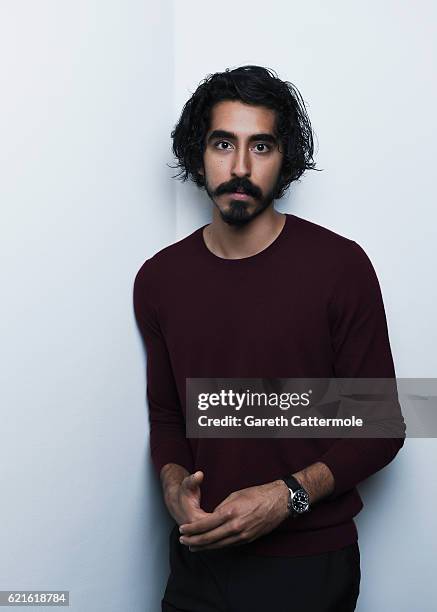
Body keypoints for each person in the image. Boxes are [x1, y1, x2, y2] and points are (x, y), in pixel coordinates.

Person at [133, 65, 405, 612]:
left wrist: (287, 495)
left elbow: (382, 426)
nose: (239, 167)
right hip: (198, 562)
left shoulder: (339, 266)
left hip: (310, 564)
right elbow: (169, 415)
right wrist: (172, 483)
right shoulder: (159, 279)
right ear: (198, 152)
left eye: (261, 145)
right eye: (222, 143)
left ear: (285, 159)